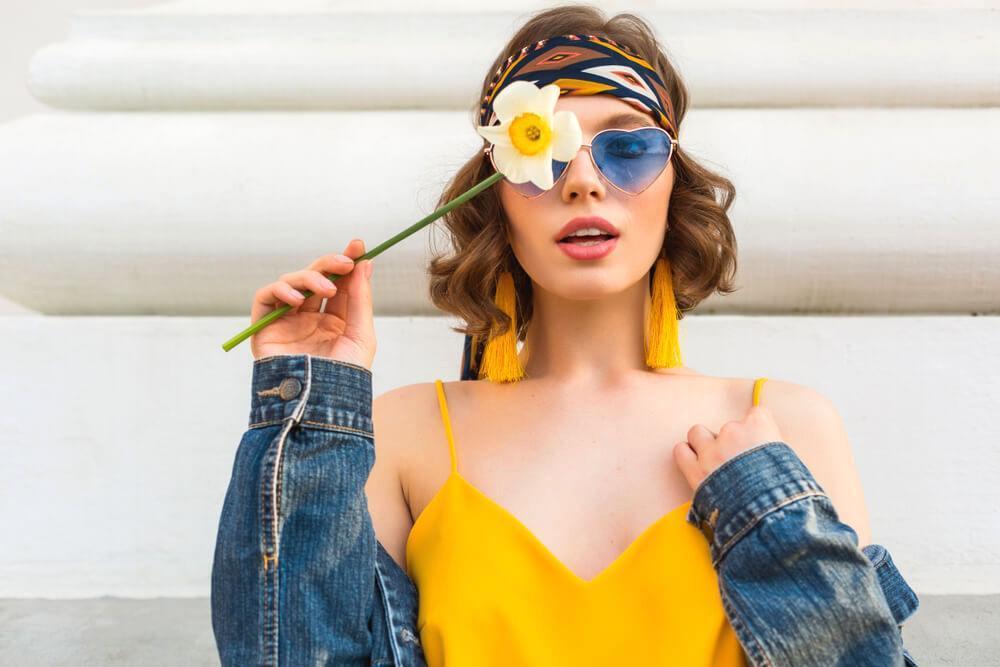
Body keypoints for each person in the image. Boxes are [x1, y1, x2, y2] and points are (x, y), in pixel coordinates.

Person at [211, 7, 920, 666]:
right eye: (544, 152)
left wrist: (767, 512)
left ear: (674, 187)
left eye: (629, 148)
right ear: (495, 198)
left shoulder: (783, 427)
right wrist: (307, 408)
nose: (583, 181)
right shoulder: (401, 432)